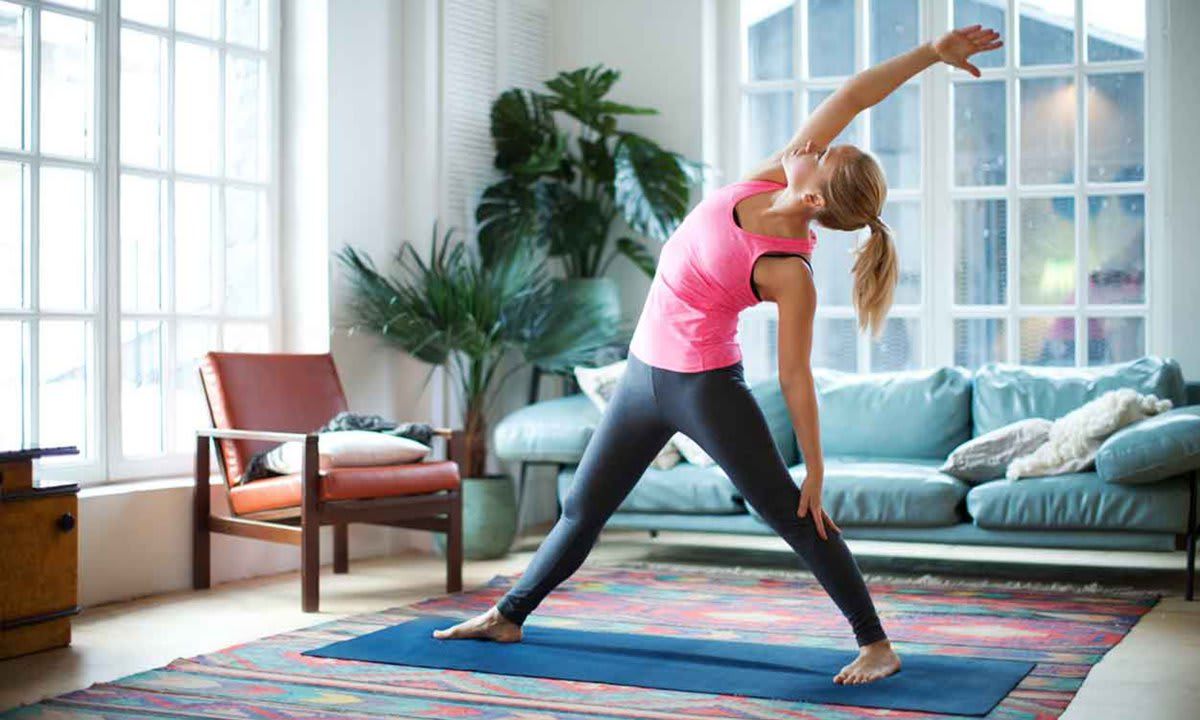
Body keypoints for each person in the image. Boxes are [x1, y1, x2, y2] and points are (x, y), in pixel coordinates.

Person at [434, 24, 1002, 686]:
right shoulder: (771, 175)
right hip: (643, 375)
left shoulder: (791, 271)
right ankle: (510, 613)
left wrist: (816, 468)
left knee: (793, 512)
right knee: (584, 507)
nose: (816, 145)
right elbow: (853, 94)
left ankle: (875, 643)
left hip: (703, 388)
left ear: (816, 198)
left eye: (826, 155)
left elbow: (794, 376)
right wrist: (931, 55)